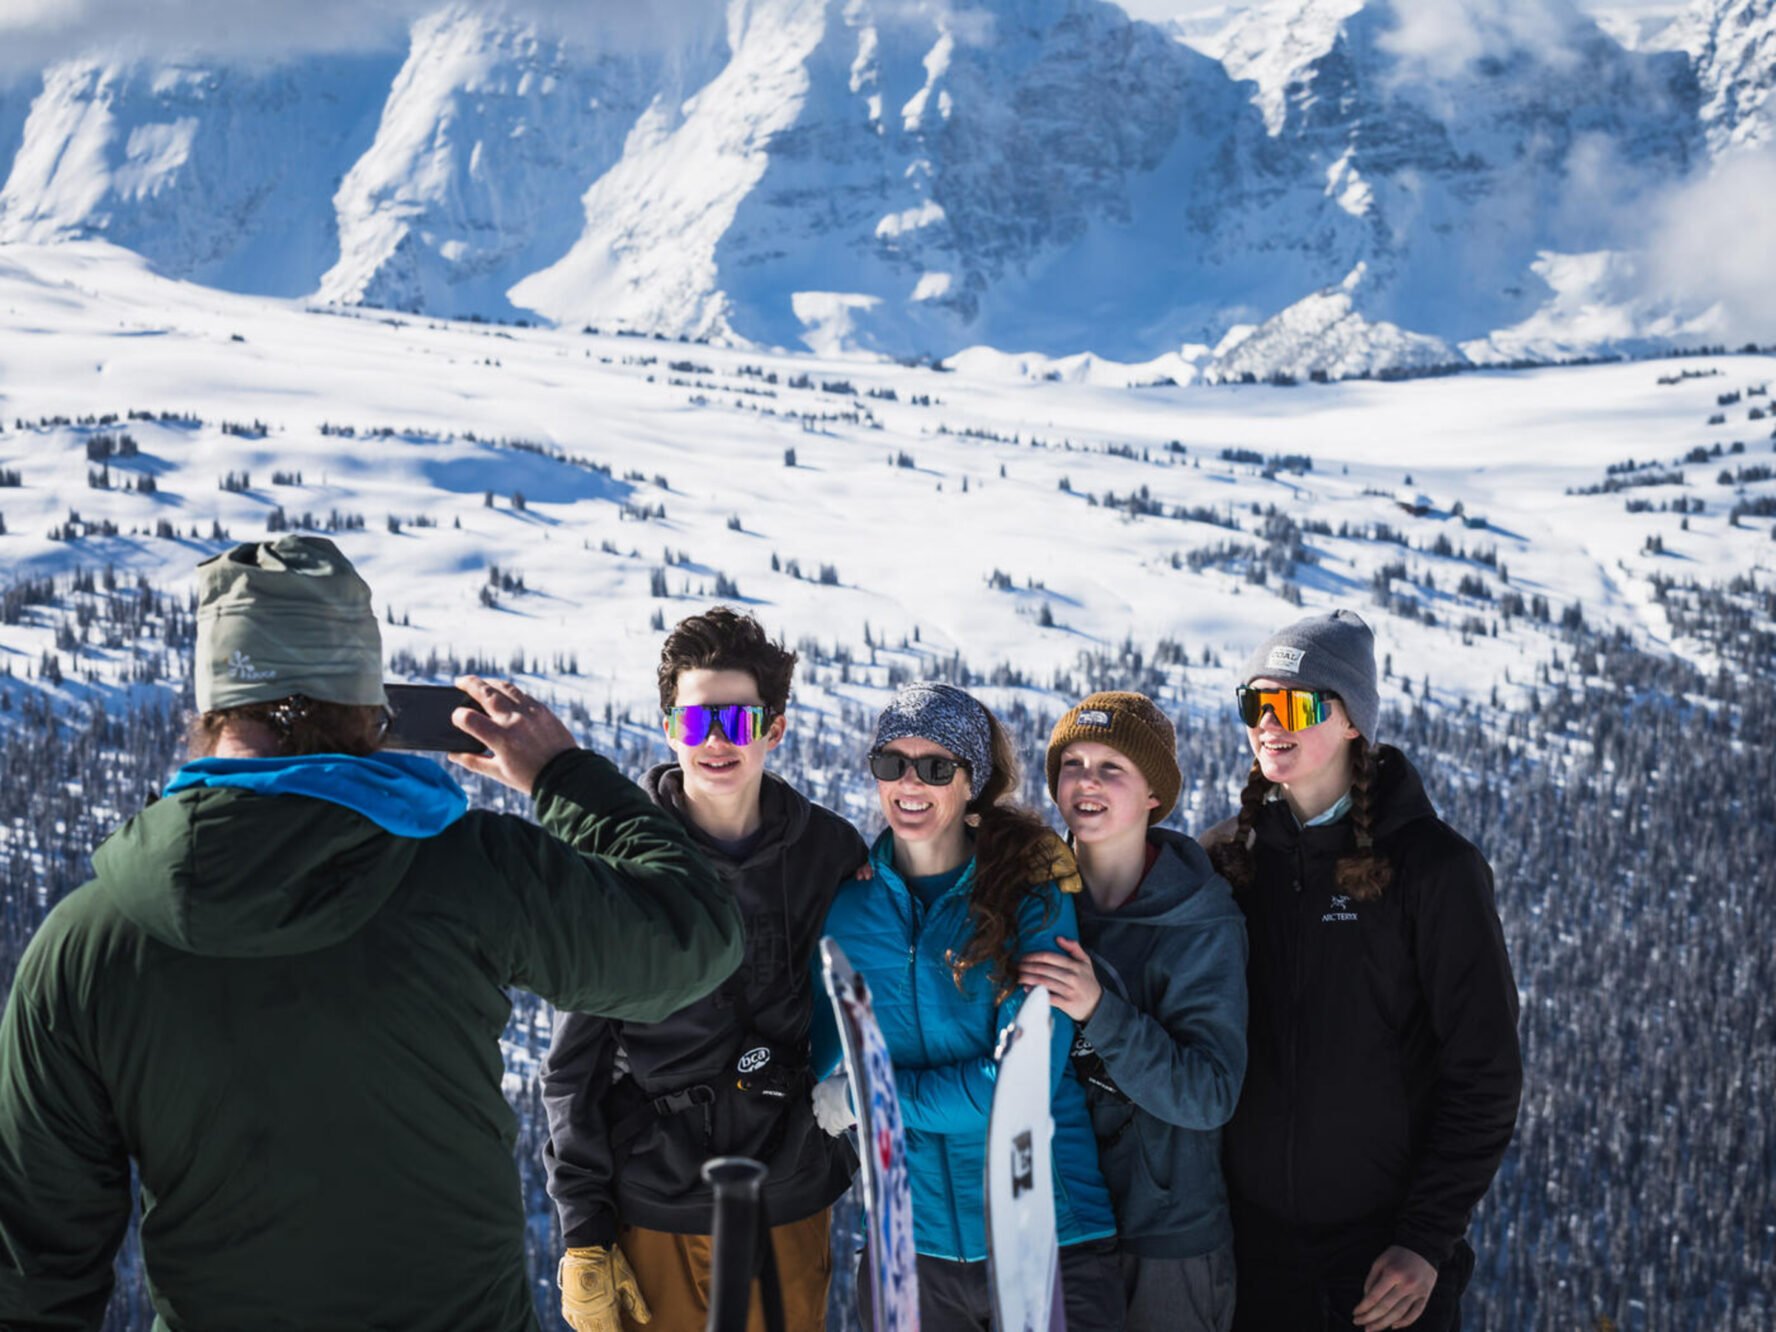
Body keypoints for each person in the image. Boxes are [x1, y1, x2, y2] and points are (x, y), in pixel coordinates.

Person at [0, 535, 744, 1332]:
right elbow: (689, 935)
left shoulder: (86, 944)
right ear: (368, 708)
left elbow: (31, 1272)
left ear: (210, 710)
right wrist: (561, 775)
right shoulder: (464, 872)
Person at [543, 607, 866, 1332]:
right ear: (668, 729)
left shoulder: (828, 855)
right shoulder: (623, 862)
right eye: (694, 723)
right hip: (655, 1203)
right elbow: (573, 1067)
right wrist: (582, 1232)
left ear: (774, 729)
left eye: (738, 722)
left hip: (789, 1196)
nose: (715, 742)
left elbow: (887, 968)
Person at [1201, 609, 1522, 1332]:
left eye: (1297, 704)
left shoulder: (1434, 869)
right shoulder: (1226, 859)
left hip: (1383, 1267)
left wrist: (1424, 1238)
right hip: (1251, 1261)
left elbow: (1487, 1070)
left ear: (1354, 721)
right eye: (1257, 702)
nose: (1270, 723)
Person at [812, 682, 1123, 1331]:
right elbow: (823, 1071)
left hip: (1049, 1238)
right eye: (890, 763)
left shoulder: (1031, 897)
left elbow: (1018, 1084)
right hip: (909, 1253)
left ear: (971, 781)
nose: (910, 783)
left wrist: (872, 1100)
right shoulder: (846, 913)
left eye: (935, 767)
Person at [1019, 691, 1248, 1332]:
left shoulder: (1201, 921)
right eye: (1073, 764)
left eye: (1111, 767)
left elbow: (1209, 1094)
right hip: (1053, 1230)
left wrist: (1099, 1009)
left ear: (1154, 794)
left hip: (1166, 1242)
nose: (1086, 781)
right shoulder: (1026, 900)